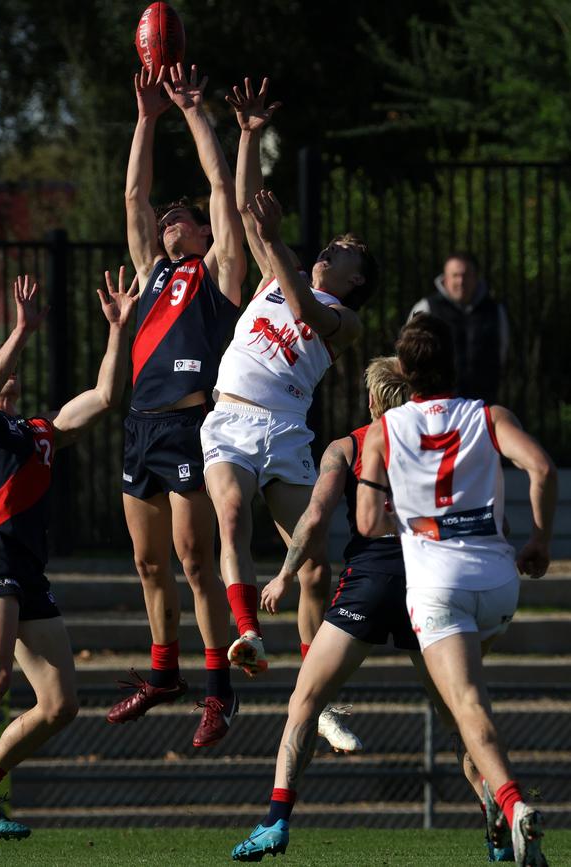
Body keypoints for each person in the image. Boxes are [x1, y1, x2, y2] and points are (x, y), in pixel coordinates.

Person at [231, 356, 474, 862]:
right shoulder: (437, 446)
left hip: (369, 584)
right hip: (428, 585)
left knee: (305, 702)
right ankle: (501, 819)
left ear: (370, 401)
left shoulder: (348, 445)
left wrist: (283, 574)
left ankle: (275, 822)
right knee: (459, 718)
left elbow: (316, 515)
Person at [201, 81, 378, 756]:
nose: (333, 249)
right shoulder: (282, 269)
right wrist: (246, 133)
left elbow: (306, 313)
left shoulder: (345, 317)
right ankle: (246, 630)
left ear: (358, 278)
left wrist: (274, 243)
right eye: (332, 244)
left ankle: (316, 693)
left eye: (347, 251)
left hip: (286, 432)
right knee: (230, 515)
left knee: (314, 564)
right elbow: (249, 214)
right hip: (233, 418)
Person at [0, 270, 138, 856]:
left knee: (60, 704)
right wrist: (22, 330)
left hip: (27, 571)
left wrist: (120, 331)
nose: (3, 370)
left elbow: (107, 398)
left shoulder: (38, 431)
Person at [357, 312, 556, 867]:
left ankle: (513, 805)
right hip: (498, 585)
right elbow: (540, 467)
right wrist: (540, 540)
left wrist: (408, 509)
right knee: (465, 704)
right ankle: (502, 813)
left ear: (403, 371)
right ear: (454, 363)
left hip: (436, 587)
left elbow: (369, 521)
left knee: (466, 704)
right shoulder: (488, 416)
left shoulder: (383, 431)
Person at [105, 63, 246, 748]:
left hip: (191, 426)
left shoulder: (217, 272)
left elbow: (222, 187)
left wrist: (192, 109)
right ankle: (166, 671)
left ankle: (219, 689)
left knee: (194, 560)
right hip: (141, 427)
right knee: (149, 563)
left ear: (198, 233)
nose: (167, 220)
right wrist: (145, 117)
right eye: (165, 219)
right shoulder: (152, 272)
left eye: (178, 217)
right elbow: (134, 192)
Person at [408, 252, 509, 405]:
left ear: (476, 278)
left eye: (466, 275)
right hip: (438, 406)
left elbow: (503, 351)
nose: (461, 281)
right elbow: (410, 356)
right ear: (445, 278)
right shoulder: (427, 308)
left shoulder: (495, 310)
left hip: (483, 404)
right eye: (455, 275)